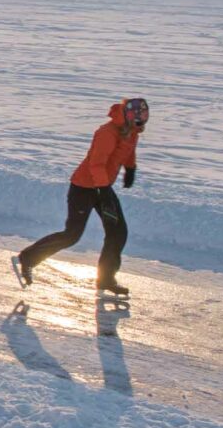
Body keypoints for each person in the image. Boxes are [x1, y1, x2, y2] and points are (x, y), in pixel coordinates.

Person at [12, 97, 149, 296]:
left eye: (144, 116)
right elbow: (96, 164)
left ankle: (106, 279)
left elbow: (127, 150)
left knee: (118, 232)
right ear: (127, 115)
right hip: (84, 188)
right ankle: (28, 258)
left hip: (102, 187)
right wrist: (104, 192)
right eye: (137, 116)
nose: (140, 120)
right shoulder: (106, 133)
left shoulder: (132, 131)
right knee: (72, 235)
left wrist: (130, 168)